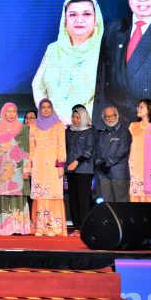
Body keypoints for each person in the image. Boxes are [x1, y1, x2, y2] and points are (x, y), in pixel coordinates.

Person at [32, 0, 104, 124]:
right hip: (52, 126)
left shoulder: (105, 51)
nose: (79, 20)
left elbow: (107, 95)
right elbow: (37, 85)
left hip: (88, 127)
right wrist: (49, 114)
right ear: (65, 19)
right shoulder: (53, 49)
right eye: (72, 14)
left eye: (86, 14)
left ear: (96, 19)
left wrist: (76, 119)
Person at [28, 98, 66, 236]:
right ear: (40, 109)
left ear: (52, 108)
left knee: (52, 195)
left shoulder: (59, 125)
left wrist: (61, 165)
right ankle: (40, 227)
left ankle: (53, 228)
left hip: (53, 166)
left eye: (48, 107)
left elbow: (61, 145)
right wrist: (29, 166)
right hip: (38, 165)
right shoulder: (33, 125)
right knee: (40, 195)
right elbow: (31, 147)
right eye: (43, 107)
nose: (45, 109)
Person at [0, 102, 32, 235]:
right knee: (2, 197)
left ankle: (18, 228)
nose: (11, 114)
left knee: (17, 196)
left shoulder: (23, 128)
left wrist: (27, 169)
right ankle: (3, 228)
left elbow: (26, 149)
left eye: (13, 111)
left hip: (18, 168)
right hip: (1, 169)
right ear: (4, 112)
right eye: (8, 111)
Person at [65, 106, 96, 234]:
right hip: (71, 171)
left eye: (78, 117)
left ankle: (85, 228)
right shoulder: (68, 131)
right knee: (73, 200)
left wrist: (76, 162)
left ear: (83, 118)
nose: (75, 119)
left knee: (83, 200)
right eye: (73, 117)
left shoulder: (90, 131)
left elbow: (89, 150)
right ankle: (77, 227)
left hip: (84, 170)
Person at [94, 106, 132, 202]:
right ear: (103, 118)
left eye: (112, 116)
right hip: (103, 174)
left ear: (117, 116)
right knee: (107, 204)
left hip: (118, 173)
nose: (109, 119)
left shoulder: (124, 132)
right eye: (106, 116)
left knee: (121, 203)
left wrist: (108, 164)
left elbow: (123, 151)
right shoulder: (102, 134)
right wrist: (100, 163)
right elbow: (97, 151)